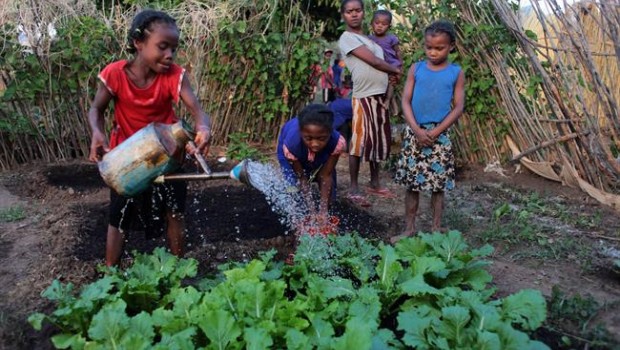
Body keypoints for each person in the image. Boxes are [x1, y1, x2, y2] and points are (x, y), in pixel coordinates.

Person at [88, 9, 211, 266]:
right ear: (138, 43)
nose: (169, 55)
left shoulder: (174, 75)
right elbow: (96, 108)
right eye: (163, 47)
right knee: (118, 215)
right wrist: (97, 133)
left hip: (169, 155)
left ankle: (178, 270)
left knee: (174, 212)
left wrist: (203, 128)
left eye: (173, 49)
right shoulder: (115, 74)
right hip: (127, 159)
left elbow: (197, 111)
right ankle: (110, 273)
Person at [392, 20, 465, 242]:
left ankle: (435, 227)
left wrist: (436, 132)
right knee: (412, 185)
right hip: (415, 132)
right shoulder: (416, 69)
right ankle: (409, 228)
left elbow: (459, 107)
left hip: (439, 135)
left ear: (451, 46)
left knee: (437, 185)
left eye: (439, 48)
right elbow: (405, 100)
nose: (433, 52)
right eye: (429, 47)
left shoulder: (456, 72)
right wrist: (415, 129)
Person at [338, 0, 402, 207]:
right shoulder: (347, 38)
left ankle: (375, 182)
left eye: (357, 10)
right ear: (343, 16)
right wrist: (395, 71)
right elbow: (374, 62)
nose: (354, 14)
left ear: (364, 13)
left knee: (376, 140)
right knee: (358, 142)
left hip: (379, 95)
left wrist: (392, 76)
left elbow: (387, 60)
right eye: (349, 12)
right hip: (363, 96)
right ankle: (354, 187)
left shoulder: (371, 40)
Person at [277, 104, 346, 218]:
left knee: (330, 193)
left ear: (330, 132)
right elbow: (302, 178)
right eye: (309, 138)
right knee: (293, 187)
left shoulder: (336, 142)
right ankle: (298, 219)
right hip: (293, 155)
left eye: (321, 138)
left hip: (321, 153)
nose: (315, 144)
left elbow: (326, 175)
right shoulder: (292, 145)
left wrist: (323, 211)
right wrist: (312, 210)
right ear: (301, 133)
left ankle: (326, 213)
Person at [368, 9, 403, 115]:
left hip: (391, 64)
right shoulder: (369, 39)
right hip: (377, 66)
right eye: (377, 23)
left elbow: (398, 52)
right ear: (372, 23)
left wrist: (400, 66)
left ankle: (388, 100)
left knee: (391, 82)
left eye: (384, 24)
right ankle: (389, 101)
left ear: (389, 26)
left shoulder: (391, 38)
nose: (380, 26)